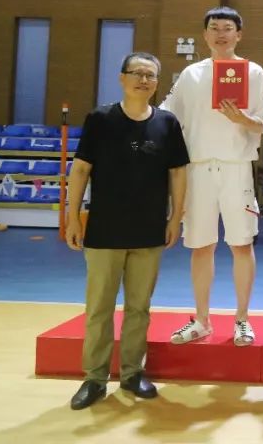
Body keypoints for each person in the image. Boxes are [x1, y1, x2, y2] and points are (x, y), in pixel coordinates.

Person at [63, 52, 190, 410]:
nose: (143, 80)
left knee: (139, 307)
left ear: (157, 83)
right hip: (104, 230)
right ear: (122, 78)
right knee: (99, 308)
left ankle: (133, 373)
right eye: (137, 73)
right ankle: (94, 378)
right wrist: (72, 218)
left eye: (150, 75)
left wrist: (175, 218)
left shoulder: (167, 123)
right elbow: (80, 169)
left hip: (148, 230)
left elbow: (178, 172)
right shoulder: (101, 119)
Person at [163, 7, 263, 347]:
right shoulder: (190, 75)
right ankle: (202, 319)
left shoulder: (253, 72)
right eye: (214, 28)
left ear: (239, 34)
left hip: (236, 167)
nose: (221, 34)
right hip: (198, 168)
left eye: (227, 28)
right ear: (205, 35)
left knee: (241, 244)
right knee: (201, 245)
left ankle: (242, 319)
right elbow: (167, 115)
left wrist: (242, 119)